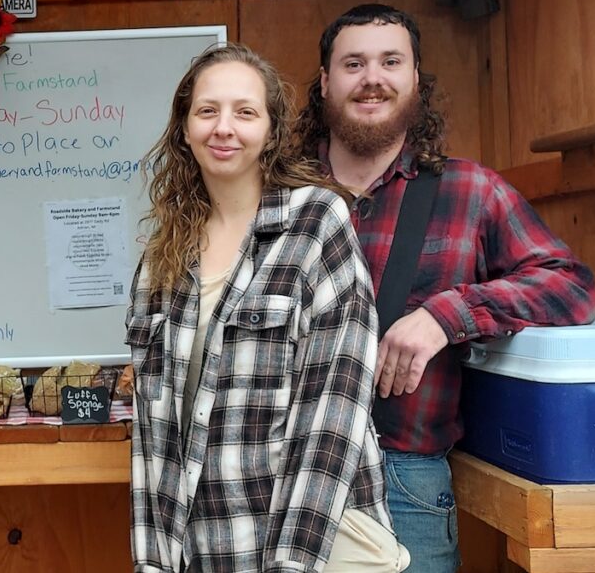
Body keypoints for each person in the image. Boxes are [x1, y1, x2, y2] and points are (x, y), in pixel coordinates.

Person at [296, 4, 595, 573]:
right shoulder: (277, 194)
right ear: (325, 82)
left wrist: (448, 314)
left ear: (414, 79)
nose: (372, 78)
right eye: (353, 63)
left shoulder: (471, 190)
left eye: (391, 62)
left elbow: (572, 287)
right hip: (281, 474)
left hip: (405, 481)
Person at [126, 42, 409, 572]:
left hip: (310, 547)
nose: (224, 127)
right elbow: (152, 435)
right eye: (207, 111)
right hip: (206, 548)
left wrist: (291, 564)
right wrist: (153, 562)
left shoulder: (317, 222)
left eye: (245, 112)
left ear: (271, 132)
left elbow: (333, 412)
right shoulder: (162, 260)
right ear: (185, 130)